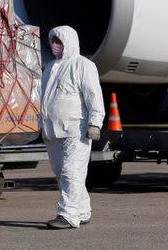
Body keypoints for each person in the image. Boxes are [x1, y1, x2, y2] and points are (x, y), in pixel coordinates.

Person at [40, 25, 105, 230]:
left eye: (59, 41)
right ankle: (82, 210)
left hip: (76, 130)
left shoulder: (83, 65)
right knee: (61, 173)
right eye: (53, 41)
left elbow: (94, 96)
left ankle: (68, 215)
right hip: (52, 131)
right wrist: (40, 124)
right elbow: (44, 99)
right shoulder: (50, 67)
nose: (56, 45)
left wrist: (95, 123)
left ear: (69, 42)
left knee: (71, 172)